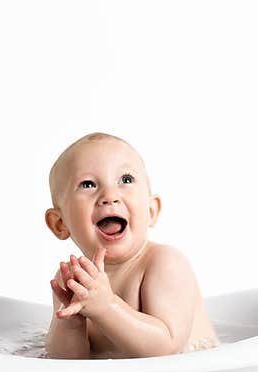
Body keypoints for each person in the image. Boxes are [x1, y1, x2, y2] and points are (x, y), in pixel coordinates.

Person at [44, 132, 220, 359]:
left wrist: (107, 307)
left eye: (125, 180)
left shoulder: (164, 264)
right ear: (60, 224)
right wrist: (71, 324)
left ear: (151, 211)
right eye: (88, 184)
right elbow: (66, 362)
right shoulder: (74, 279)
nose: (110, 196)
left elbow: (167, 347)